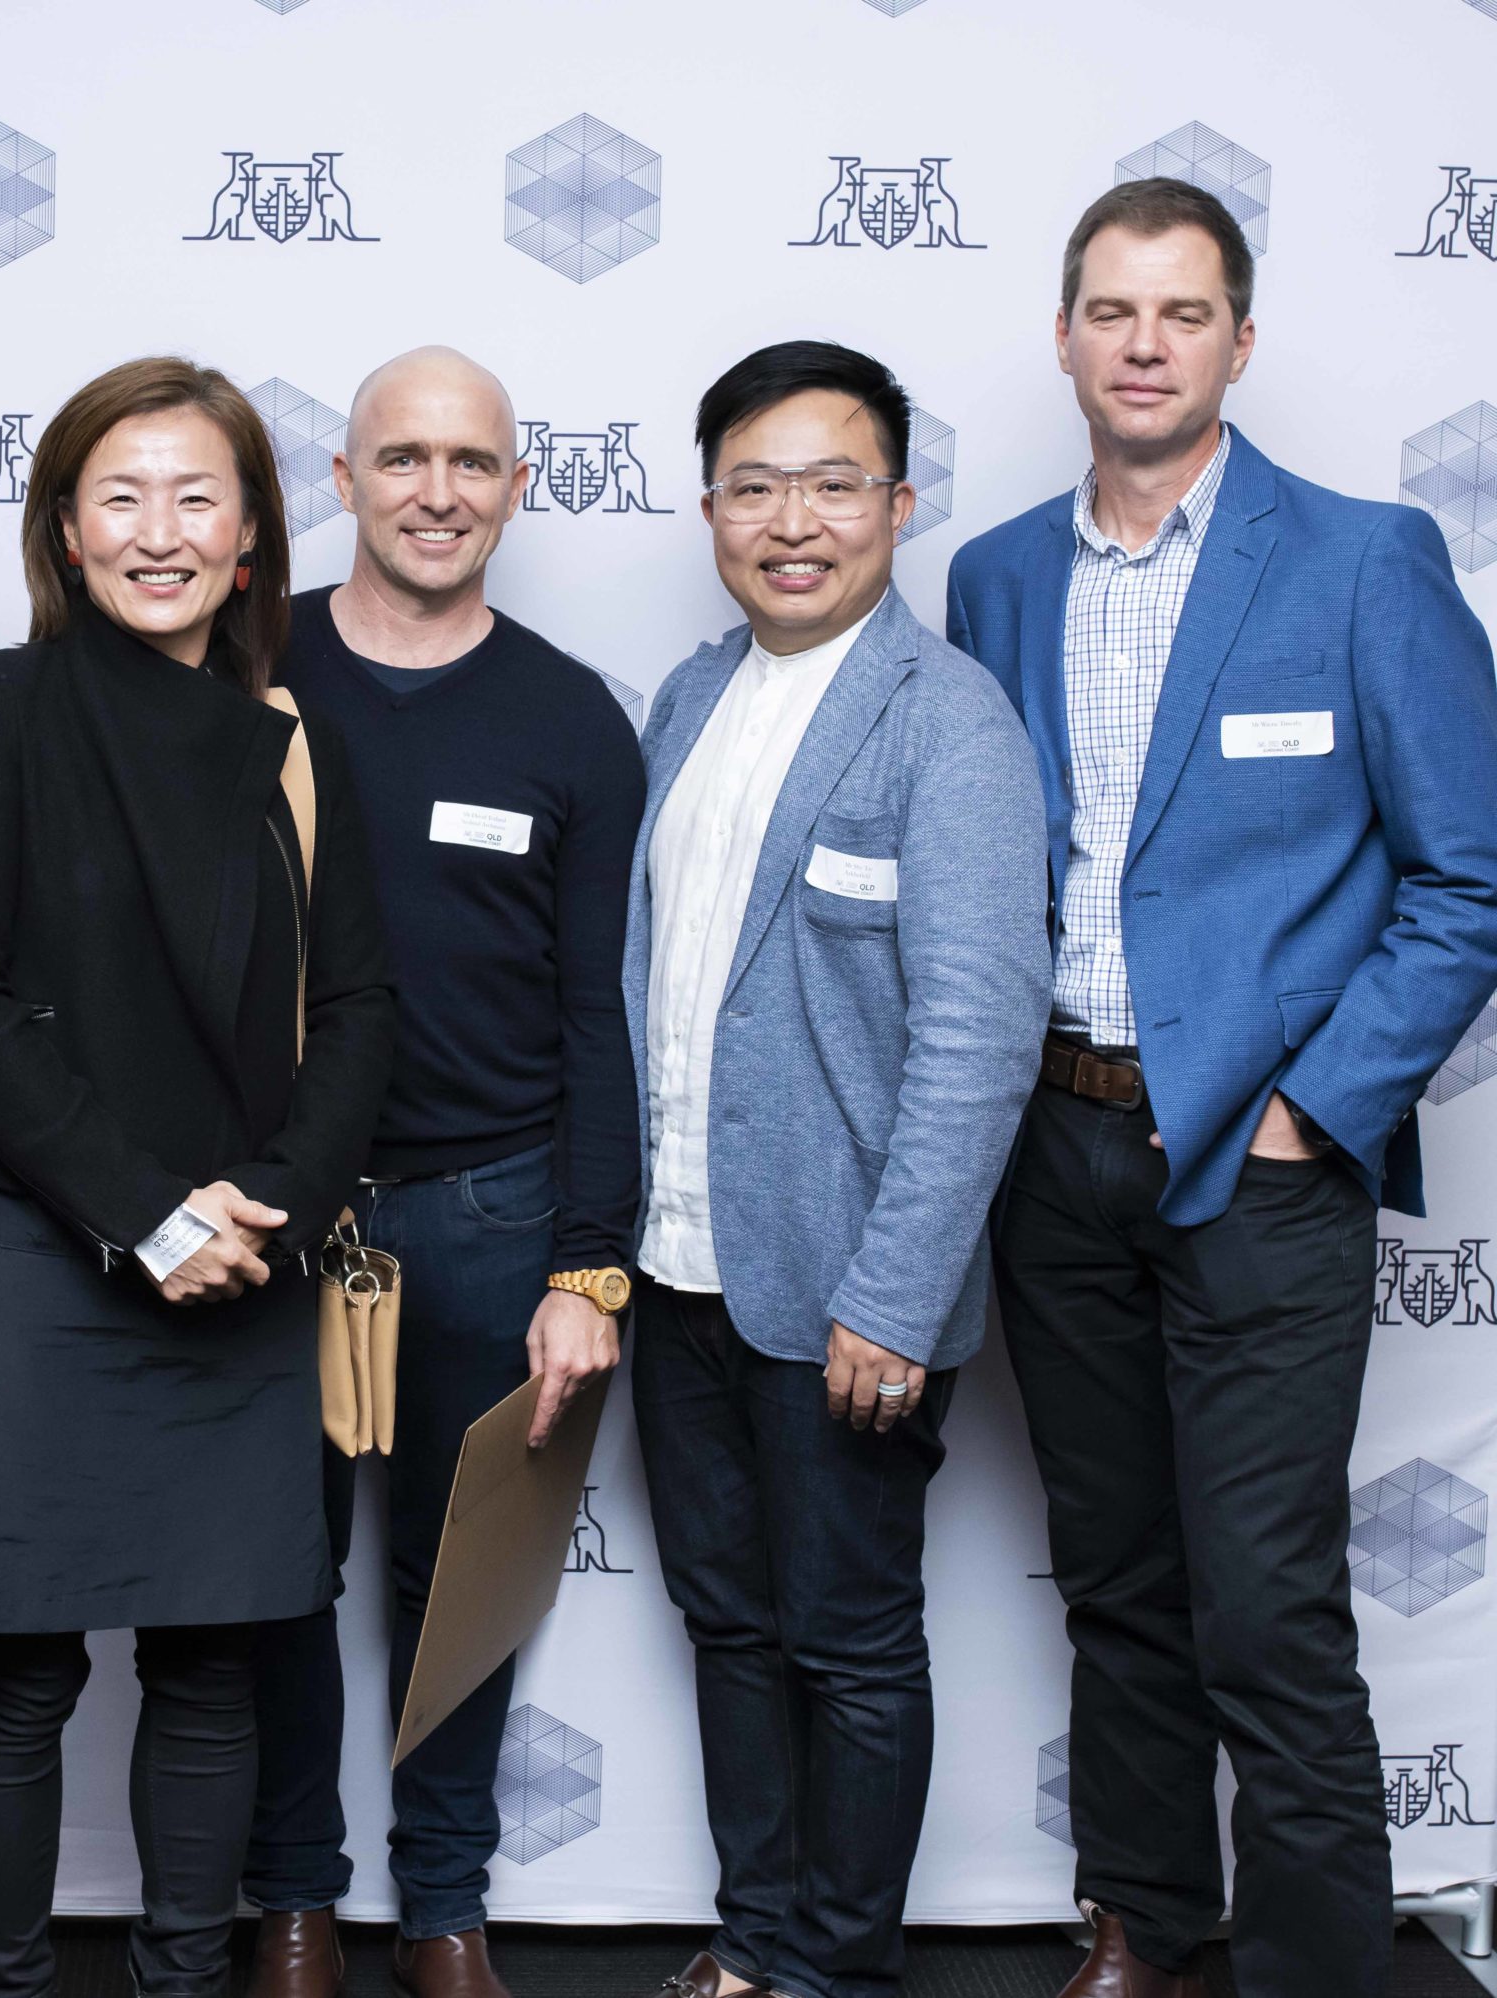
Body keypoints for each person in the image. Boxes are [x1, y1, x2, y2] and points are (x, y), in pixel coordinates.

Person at [946, 178, 1497, 1998]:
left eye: (1183, 313)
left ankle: (1315, 1974)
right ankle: (1146, 1925)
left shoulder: (1362, 560)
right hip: (1057, 1145)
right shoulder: (997, 575)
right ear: (1063, 337)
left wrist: (1315, 1108)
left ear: (1239, 342)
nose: (1145, 345)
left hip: (1264, 1163)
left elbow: (1472, 876)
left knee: (1265, 1605)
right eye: (1112, 311)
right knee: (1118, 1580)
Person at [0, 357, 394, 1998]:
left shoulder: (293, 741)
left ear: (250, 539)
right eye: (120, 495)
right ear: (64, 528)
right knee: (22, 1669)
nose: (158, 531)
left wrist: (270, 1206)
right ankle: (7, 1987)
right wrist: (144, 1213)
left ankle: (186, 1980)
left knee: (212, 1666)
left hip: (244, 1254)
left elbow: (361, 1005)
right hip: (40, 1249)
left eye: (196, 497)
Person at [630, 342, 1050, 1998]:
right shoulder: (685, 700)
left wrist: (896, 1291)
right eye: (754, 486)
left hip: (845, 1291)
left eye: (831, 483)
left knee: (852, 1646)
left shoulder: (949, 722)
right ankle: (758, 1944)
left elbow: (979, 1038)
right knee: (729, 1628)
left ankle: (837, 1972)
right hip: (678, 1265)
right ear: (710, 509)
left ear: (900, 502)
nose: (791, 521)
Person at [242, 347, 643, 1998]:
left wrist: (587, 1263)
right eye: (402, 458)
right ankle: (290, 1897)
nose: (437, 491)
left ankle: (444, 1906)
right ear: (340, 480)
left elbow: (599, 1015)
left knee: (464, 1577)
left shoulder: (572, 718)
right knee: (269, 1575)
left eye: (472, 462)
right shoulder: (242, 670)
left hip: (494, 1212)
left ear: (518, 489)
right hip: (277, 1214)